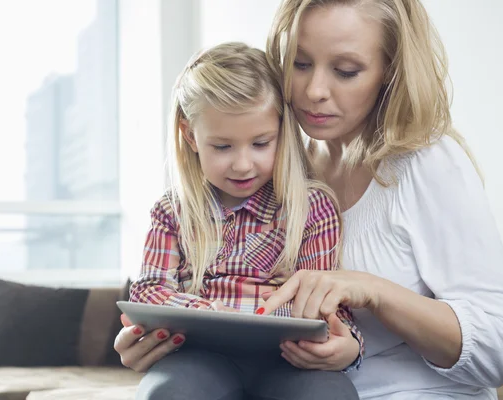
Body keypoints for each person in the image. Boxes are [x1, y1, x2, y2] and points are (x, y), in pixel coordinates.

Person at [254, 0, 503, 399]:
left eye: (346, 71)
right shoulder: (280, 167)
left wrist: (373, 291)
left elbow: (496, 350)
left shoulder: (428, 164)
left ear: (390, 72)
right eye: (300, 64)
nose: (314, 90)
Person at [118, 41, 363, 400]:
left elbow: (330, 306)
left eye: (261, 143)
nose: (243, 164)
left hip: (291, 362)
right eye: (223, 147)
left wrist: (350, 347)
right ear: (191, 137)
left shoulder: (312, 208)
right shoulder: (173, 211)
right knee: (167, 394)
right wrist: (207, 311)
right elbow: (149, 290)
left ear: (282, 131)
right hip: (198, 359)